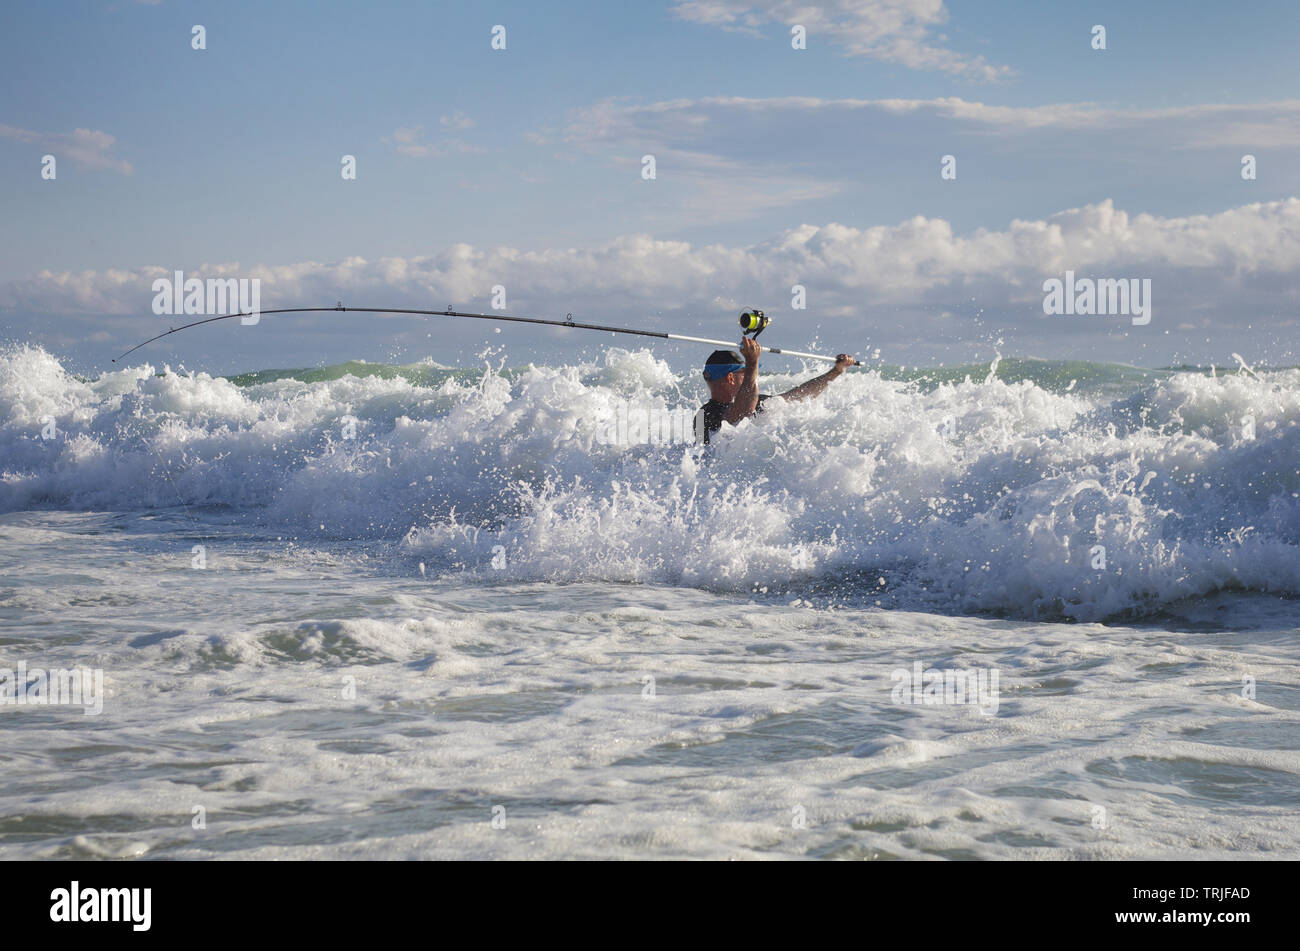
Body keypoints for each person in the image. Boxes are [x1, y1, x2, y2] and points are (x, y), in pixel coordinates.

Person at [694, 336, 855, 444]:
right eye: (744, 373)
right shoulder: (705, 416)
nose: (750, 375)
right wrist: (752, 363)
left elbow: (799, 396)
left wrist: (836, 372)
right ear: (730, 378)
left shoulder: (757, 402)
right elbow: (740, 417)